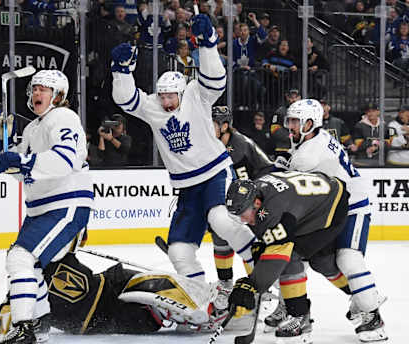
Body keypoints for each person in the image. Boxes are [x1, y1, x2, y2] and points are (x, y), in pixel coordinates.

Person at [111, 14, 257, 286]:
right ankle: (200, 298)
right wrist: (120, 71)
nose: (166, 102)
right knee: (178, 250)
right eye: (162, 96)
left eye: (170, 96)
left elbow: (215, 79)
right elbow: (126, 100)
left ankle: (260, 272)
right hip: (187, 187)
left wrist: (208, 44)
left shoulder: (195, 94)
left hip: (214, 173)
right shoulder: (153, 106)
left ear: (180, 91)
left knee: (222, 220)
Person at [0, 70, 94, 344]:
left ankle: (23, 333)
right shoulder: (34, 127)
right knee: (30, 267)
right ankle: (39, 323)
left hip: (65, 203)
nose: (36, 93)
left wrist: (21, 159)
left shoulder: (63, 118)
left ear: (58, 96)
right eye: (34, 88)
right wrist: (1, 145)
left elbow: (66, 159)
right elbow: (19, 170)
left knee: (20, 258)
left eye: (44, 89)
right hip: (42, 208)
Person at [280, 99, 387, 342]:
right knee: (320, 261)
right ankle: (360, 296)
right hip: (330, 207)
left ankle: (372, 315)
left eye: (296, 121)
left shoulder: (308, 154)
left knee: (348, 258)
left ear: (311, 123)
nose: (291, 127)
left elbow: (293, 183)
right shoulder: (312, 140)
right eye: (291, 121)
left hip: (352, 206)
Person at [0, 249, 232, 341]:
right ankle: (204, 314)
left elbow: (78, 235)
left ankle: (205, 301)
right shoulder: (23, 291)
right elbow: (2, 317)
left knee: (152, 281)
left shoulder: (49, 257)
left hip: (107, 289)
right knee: (151, 294)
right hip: (103, 316)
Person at [226, 171, 350, 344]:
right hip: (315, 198)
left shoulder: (274, 209)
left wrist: (252, 286)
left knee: (292, 256)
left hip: (331, 205)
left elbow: (277, 257)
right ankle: (359, 293)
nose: (242, 219)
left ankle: (299, 317)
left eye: (243, 213)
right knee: (321, 263)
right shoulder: (257, 193)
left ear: (257, 203)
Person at [210, 106, 274, 309]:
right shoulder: (215, 142)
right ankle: (226, 283)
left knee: (247, 242)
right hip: (238, 199)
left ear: (225, 126)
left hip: (254, 199)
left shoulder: (238, 145)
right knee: (220, 237)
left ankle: (257, 286)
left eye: (212, 124)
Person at [270, 88, 301, 158]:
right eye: (291, 97)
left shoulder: (305, 112)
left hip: (299, 149)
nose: (294, 100)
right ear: (287, 97)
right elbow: (274, 130)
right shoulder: (280, 112)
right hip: (283, 149)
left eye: (296, 97)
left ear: (300, 98)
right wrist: (291, 136)